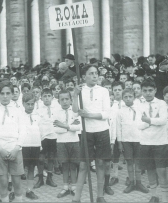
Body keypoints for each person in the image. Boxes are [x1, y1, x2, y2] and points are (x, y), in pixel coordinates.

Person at [72, 64, 111, 202]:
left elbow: (106, 113)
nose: (95, 76)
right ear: (84, 76)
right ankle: (77, 198)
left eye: (96, 73)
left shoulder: (103, 91)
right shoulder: (80, 90)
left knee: (100, 163)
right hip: (86, 131)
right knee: (83, 165)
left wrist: (89, 115)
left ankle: (100, 196)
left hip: (101, 131)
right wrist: (75, 95)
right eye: (91, 73)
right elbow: (75, 111)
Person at [0, 81, 25, 202]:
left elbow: (23, 131)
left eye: (8, 93)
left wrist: (16, 148)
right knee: (3, 181)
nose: (5, 96)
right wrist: (0, 149)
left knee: (17, 181)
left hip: (15, 149)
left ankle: (19, 199)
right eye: (2, 93)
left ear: (12, 94)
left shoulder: (18, 110)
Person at [138, 80, 168, 202]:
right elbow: (138, 125)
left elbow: (163, 121)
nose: (148, 93)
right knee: (150, 169)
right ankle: (154, 195)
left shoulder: (162, 103)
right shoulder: (139, 105)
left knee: (161, 170)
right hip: (145, 142)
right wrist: (151, 121)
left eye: (150, 90)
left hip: (160, 142)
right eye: (144, 91)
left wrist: (147, 120)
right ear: (142, 91)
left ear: (155, 90)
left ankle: (165, 198)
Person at [116, 88, 149, 194]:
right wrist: (120, 142)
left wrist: (140, 128)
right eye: (125, 97)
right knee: (129, 162)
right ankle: (131, 183)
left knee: (138, 162)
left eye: (130, 96)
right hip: (126, 140)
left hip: (139, 139)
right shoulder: (120, 111)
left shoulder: (140, 109)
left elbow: (147, 122)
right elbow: (118, 127)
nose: (128, 99)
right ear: (122, 98)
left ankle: (139, 183)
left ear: (134, 97)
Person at [53, 90, 81, 198]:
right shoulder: (56, 112)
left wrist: (64, 126)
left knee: (73, 165)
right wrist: (70, 127)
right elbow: (55, 129)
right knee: (64, 165)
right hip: (61, 142)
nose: (65, 101)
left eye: (67, 99)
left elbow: (78, 127)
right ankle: (65, 187)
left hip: (74, 141)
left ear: (70, 100)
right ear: (59, 101)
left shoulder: (75, 112)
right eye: (62, 99)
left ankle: (73, 187)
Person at [34, 88, 58, 188]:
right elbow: (37, 124)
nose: (47, 98)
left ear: (52, 97)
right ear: (41, 97)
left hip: (53, 136)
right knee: (40, 158)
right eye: (45, 96)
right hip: (43, 137)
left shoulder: (57, 109)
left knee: (51, 157)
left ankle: (49, 178)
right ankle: (40, 179)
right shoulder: (38, 110)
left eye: (49, 96)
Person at [20, 92, 41, 200]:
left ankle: (29, 190)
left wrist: (40, 145)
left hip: (35, 145)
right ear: (23, 103)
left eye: (32, 104)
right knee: (20, 169)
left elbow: (39, 130)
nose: (30, 106)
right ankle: (16, 191)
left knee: (32, 168)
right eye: (28, 104)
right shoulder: (19, 116)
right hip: (23, 146)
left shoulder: (37, 115)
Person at [109, 81, 125, 187]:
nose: (117, 92)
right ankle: (114, 176)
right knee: (115, 156)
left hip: (127, 133)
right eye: (115, 90)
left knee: (129, 157)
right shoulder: (111, 104)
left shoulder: (127, 102)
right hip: (115, 134)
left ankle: (131, 178)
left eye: (119, 89)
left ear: (123, 90)